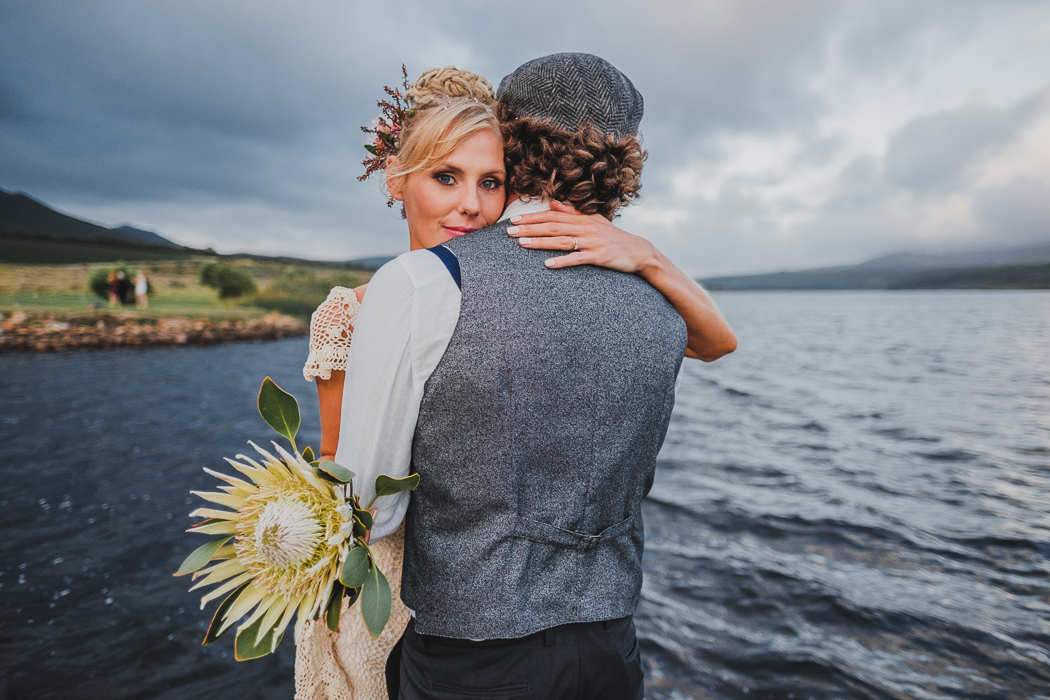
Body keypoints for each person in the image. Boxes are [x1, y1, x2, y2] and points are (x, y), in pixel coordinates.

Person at [334, 54, 735, 700]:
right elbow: (721, 341)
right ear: (624, 167)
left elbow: (370, 512)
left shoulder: (423, 281)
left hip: (469, 664)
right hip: (612, 652)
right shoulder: (665, 309)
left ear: (507, 136)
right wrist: (652, 259)